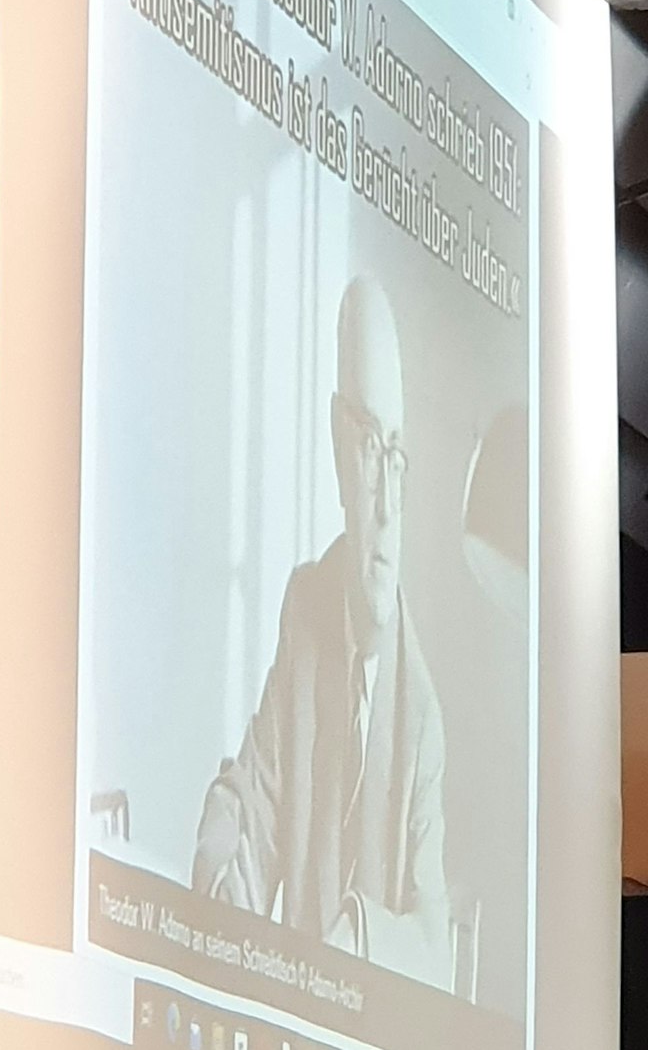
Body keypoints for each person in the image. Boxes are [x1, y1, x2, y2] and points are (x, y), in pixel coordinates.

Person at [191, 276, 452, 990]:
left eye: (397, 454)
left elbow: (435, 944)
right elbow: (254, 795)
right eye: (370, 446)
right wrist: (220, 890)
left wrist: (351, 946)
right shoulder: (308, 605)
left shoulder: (423, 710)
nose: (387, 502)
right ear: (340, 448)